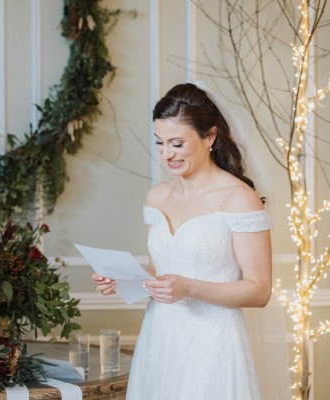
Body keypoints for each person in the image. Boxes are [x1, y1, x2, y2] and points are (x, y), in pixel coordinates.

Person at [93, 82, 275, 399]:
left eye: (177, 144)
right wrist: (120, 281)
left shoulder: (239, 199)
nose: (167, 154)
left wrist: (190, 288)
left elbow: (259, 291)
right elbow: (158, 273)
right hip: (160, 341)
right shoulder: (157, 197)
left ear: (210, 137)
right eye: (160, 143)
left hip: (213, 345)